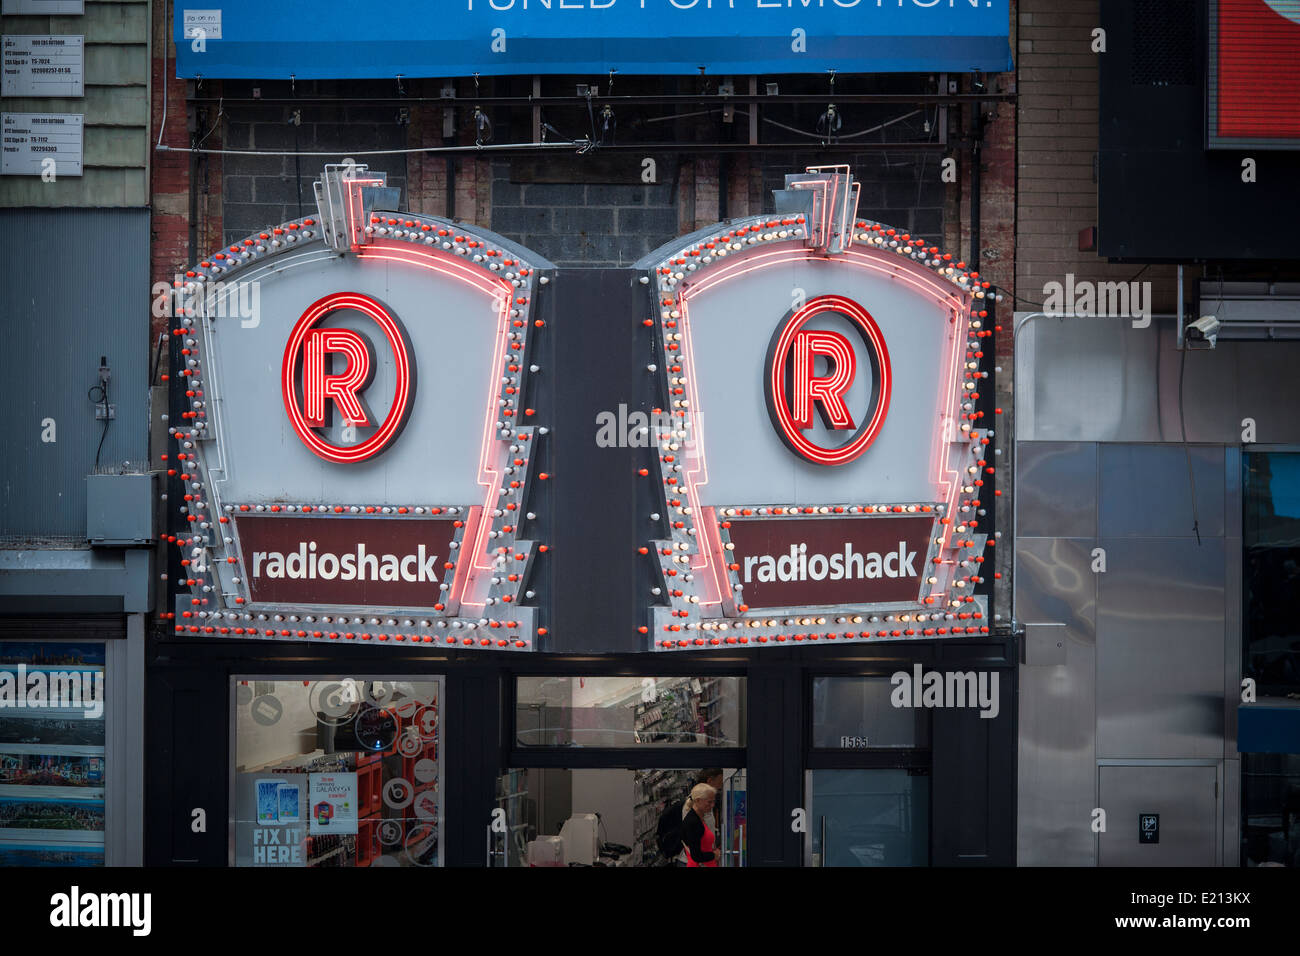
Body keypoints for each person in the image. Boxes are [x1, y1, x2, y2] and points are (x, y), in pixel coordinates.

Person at [680, 783, 718, 867]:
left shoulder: (699, 818)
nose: (712, 805)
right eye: (709, 802)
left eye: (713, 801)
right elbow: (696, 855)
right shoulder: (692, 822)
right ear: (697, 800)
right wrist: (714, 855)